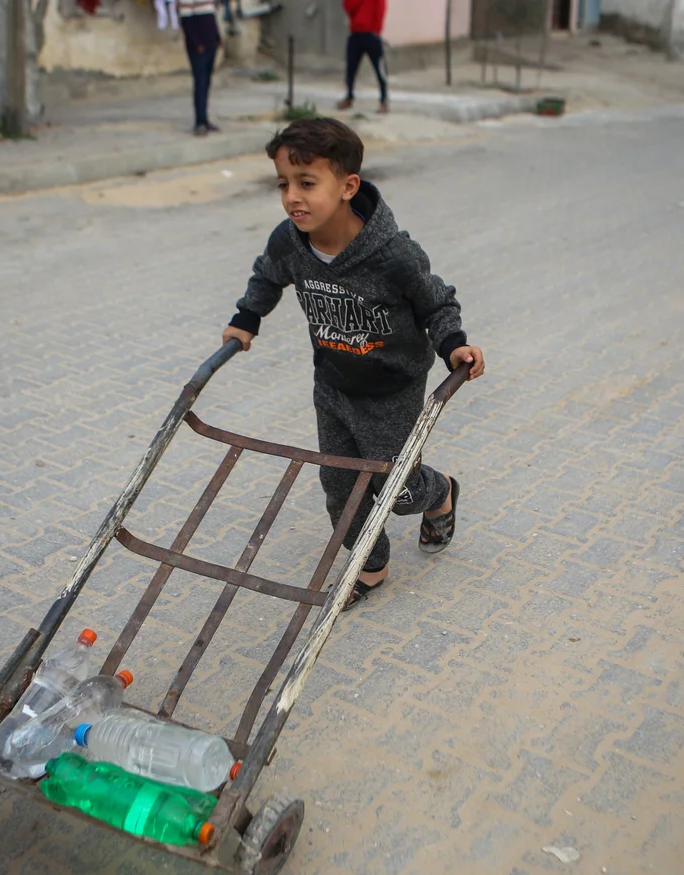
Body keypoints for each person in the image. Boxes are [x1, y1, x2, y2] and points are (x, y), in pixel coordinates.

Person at [221, 119, 485, 609]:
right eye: (283, 184)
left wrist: (454, 345)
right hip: (333, 382)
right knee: (340, 485)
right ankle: (371, 565)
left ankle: (441, 492)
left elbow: (436, 302)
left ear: (347, 187)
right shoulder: (290, 242)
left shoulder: (393, 256)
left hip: (392, 389)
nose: (292, 197)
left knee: (398, 491)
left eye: (306, 183)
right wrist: (247, 317)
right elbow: (267, 275)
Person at [177, 0, 222, 136]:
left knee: (206, 82)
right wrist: (197, 45)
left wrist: (217, 38)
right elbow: (186, 24)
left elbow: (211, 18)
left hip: (210, 45)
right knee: (200, 83)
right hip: (198, 49)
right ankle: (199, 123)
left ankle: (205, 119)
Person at [337, 0, 389, 114]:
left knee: (380, 69)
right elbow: (348, 6)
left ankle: (384, 101)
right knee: (350, 69)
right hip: (355, 33)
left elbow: (381, 8)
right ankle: (349, 96)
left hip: (372, 34)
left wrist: (377, 30)